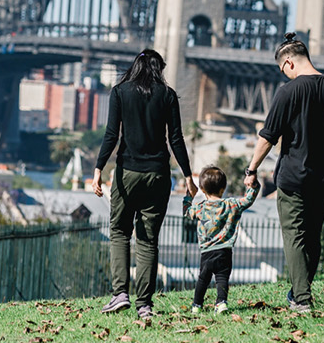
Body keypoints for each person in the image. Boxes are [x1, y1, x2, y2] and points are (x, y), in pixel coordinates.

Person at [244, 36, 324, 314]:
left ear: (288, 61)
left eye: (282, 69)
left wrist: (251, 169)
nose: (284, 74)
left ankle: (302, 299)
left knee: (294, 235)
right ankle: (300, 290)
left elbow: (267, 137)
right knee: (313, 237)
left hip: (293, 178)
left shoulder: (287, 92)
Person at [93, 47, 194, 322]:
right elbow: (176, 139)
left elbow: (112, 135)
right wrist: (188, 175)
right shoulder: (168, 95)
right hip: (158, 175)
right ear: (158, 69)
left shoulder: (120, 92)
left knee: (119, 231)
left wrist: (99, 168)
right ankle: (145, 305)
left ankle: (120, 294)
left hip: (128, 173)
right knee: (148, 240)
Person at [182, 164, 260, 315]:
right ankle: (221, 303)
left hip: (206, 252)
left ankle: (196, 305)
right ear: (223, 188)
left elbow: (186, 211)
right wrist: (253, 186)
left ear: (203, 190)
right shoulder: (231, 205)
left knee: (202, 279)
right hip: (225, 250)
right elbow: (248, 200)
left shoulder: (199, 208)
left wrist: (188, 196)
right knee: (222, 278)